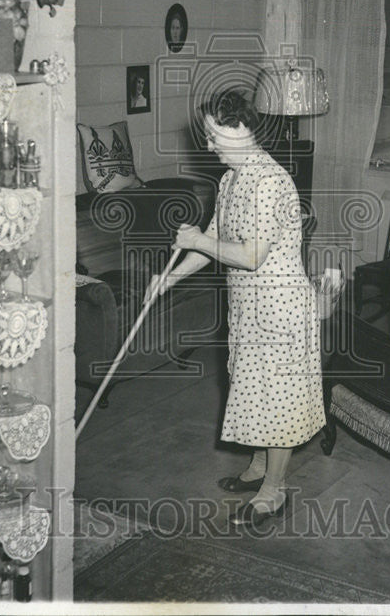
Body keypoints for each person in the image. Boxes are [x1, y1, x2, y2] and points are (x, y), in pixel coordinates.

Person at [144, 90, 325, 527]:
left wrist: (197, 241)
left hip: (280, 310)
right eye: (206, 135)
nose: (208, 145)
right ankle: (260, 466)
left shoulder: (270, 182)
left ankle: (274, 490)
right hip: (248, 307)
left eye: (213, 135)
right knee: (251, 390)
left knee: (278, 400)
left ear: (242, 127)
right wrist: (170, 278)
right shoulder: (230, 179)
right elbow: (211, 243)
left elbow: (249, 255)